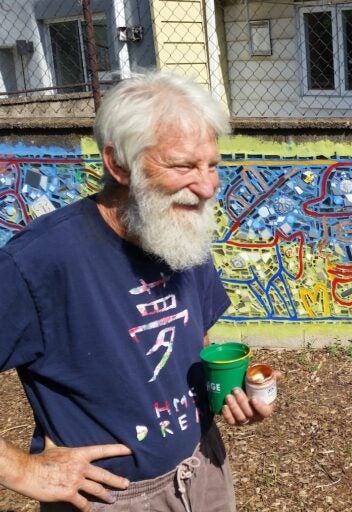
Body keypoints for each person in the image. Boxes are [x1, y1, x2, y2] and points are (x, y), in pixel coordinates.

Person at [0, 71, 274, 511]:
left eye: (212, 165)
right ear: (118, 164)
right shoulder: (40, 260)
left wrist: (228, 393)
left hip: (204, 469)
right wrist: (21, 470)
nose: (206, 187)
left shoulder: (179, 230)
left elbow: (193, 340)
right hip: (113, 499)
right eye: (183, 166)